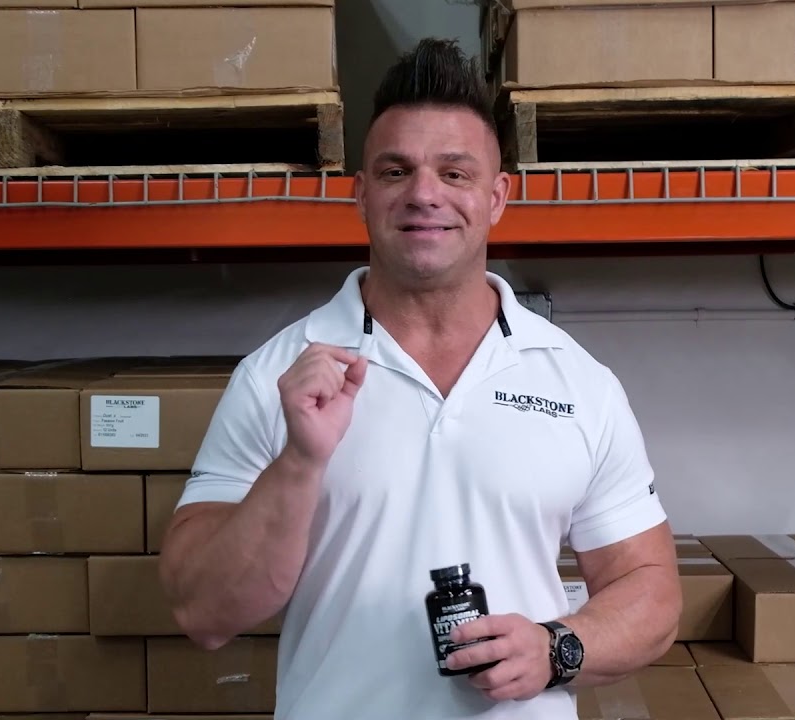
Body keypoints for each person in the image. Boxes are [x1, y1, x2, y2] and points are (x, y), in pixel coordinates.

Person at [159, 37, 681, 720]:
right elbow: (202, 610)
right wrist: (299, 463)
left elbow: (651, 592)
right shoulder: (277, 375)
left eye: (454, 173)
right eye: (396, 171)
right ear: (361, 194)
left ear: (496, 197)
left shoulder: (578, 383)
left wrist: (556, 649)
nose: (424, 194)